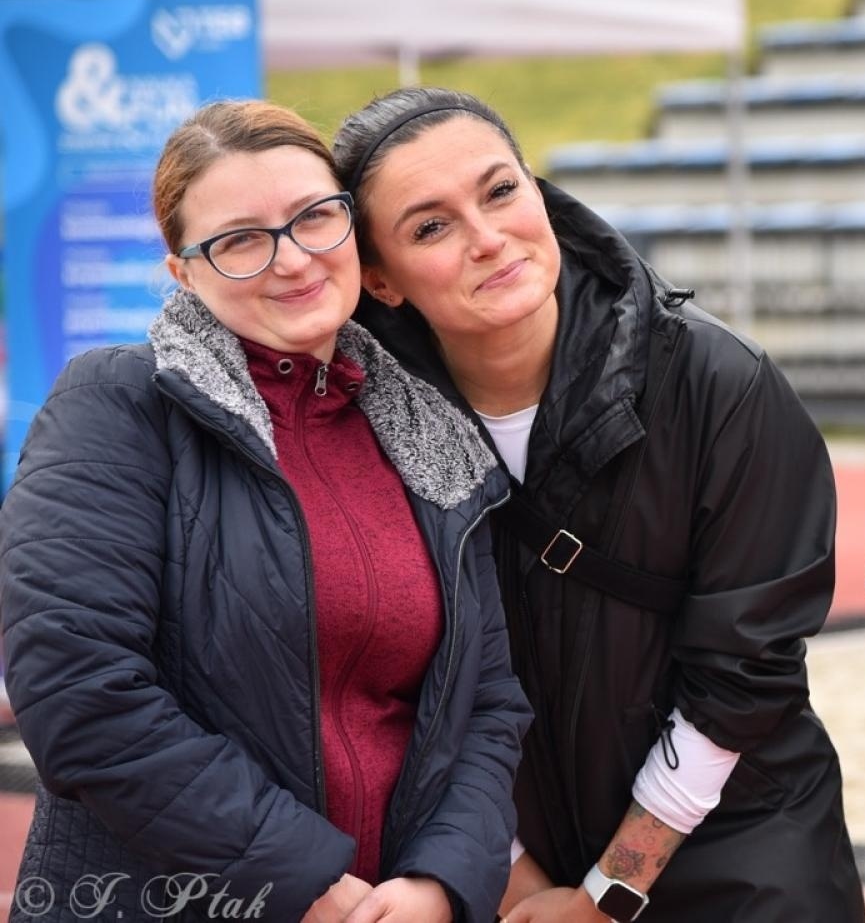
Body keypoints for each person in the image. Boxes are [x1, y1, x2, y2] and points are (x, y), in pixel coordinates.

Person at [331, 87, 865, 923]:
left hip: (743, 856)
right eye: (431, 227)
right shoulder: (360, 427)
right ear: (380, 280)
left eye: (500, 190)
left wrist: (605, 894)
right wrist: (513, 878)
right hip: (506, 871)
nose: (487, 237)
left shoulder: (719, 385)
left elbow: (743, 679)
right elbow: (389, 685)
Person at [0, 101, 531, 923]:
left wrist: (441, 883)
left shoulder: (426, 429)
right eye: (241, 240)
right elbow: (79, 690)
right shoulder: (119, 404)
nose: (292, 259)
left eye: (314, 217)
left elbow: (487, 700)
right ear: (184, 272)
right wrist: (303, 880)